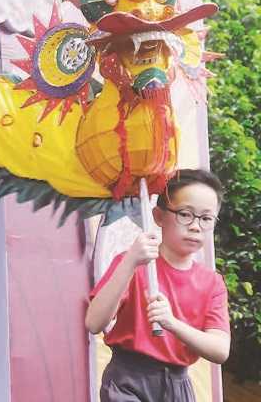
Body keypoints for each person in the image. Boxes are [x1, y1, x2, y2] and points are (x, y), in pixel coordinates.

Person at [86, 169, 231, 401]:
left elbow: (220, 350)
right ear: (158, 216)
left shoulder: (212, 283)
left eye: (206, 218)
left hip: (178, 385)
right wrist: (131, 262)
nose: (195, 226)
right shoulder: (132, 262)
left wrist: (173, 324)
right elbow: (94, 322)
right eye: (185, 214)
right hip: (127, 379)